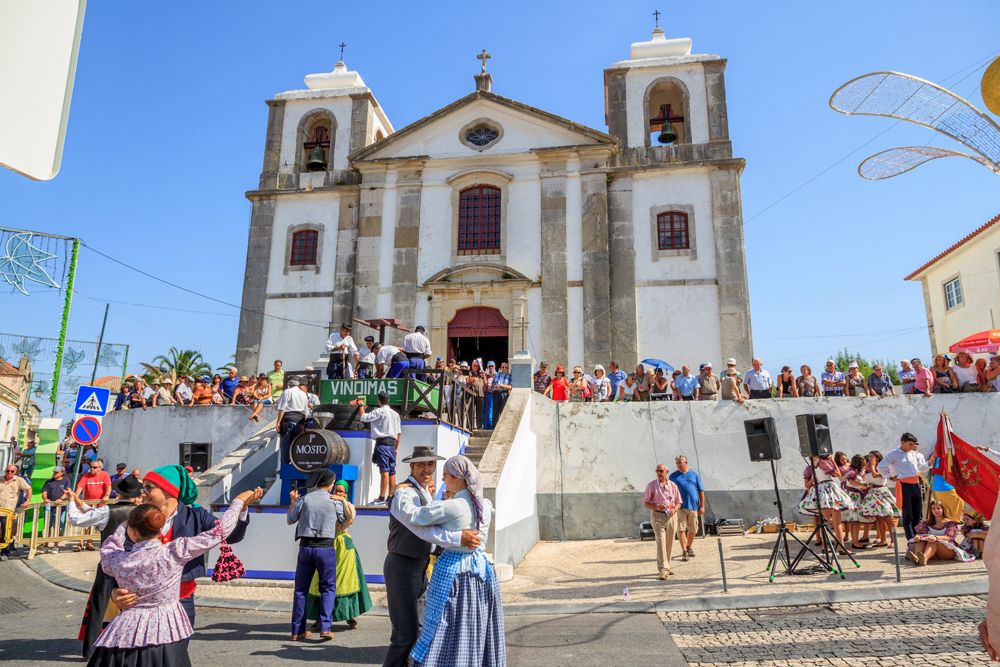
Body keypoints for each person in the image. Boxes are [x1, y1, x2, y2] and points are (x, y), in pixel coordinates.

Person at [89, 489, 258, 667]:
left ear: (132, 532)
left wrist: (123, 526)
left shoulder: (118, 559)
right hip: (166, 627)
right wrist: (237, 501)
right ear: (160, 528)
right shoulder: (174, 552)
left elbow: (109, 548)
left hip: (126, 630)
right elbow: (219, 532)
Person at [110, 466, 258, 630]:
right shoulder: (137, 517)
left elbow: (230, 536)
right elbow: (119, 560)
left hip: (182, 598)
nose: (142, 494)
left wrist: (242, 509)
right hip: (140, 601)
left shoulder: (196, 515)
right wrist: (115, 592)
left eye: (148, 488)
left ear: (167, 489)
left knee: (175, 651)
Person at [397, 455, 505, 667]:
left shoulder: (452, 506)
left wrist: (401, 492)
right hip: (482, 571)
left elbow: (413, 516)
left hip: (454, 571)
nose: (443, 479)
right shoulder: (484, 504)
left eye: (445, 475)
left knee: (444, 625)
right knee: (475, 625)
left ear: (457, 477)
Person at [383, 447, 483, 667]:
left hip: (419, 564)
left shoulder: (425, 491)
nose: (427, 469)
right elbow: (420, 530)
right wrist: (459, 538)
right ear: (412, 466)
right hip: (402, 563)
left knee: (419, 629)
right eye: (421, 464)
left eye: (430, 464)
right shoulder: (404, 493)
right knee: (405, 634)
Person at [66, 474, 143, 659]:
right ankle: (131, 645)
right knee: (133, 604)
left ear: (118, 492)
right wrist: (78, 502)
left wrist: (71, 503)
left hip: (110, 563)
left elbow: (78, 519)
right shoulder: (143, 512)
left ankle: (92, 649)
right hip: (134, 564)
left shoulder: (107, 511)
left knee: (99, 604)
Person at [287, 469, 347, 641]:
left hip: (305, 547)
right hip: (326, 548)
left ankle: (297, 631)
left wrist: (293, 502)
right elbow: (343, 520)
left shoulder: (305, 499)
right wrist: (341, 501)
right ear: (329, 484)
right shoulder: (334, 501)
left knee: (300, 590)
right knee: (328, 588)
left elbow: (290, 519)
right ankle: (325, 628)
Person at [306, 480, 372, 632]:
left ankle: (348, 614)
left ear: (345, 493)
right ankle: (318, 616)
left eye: (341, 491)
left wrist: (343, 501)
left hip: (342, 545)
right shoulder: (327, 502)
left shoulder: (347, 505)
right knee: (319, 579)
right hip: (325, 543)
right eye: (336, 490)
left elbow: (350, 518)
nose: (338, 493)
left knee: (345, 581)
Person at [797, 455, 855, 554]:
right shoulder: (823, 462)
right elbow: (838, 474)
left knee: (824, 521)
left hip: (820, 490)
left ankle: (825, 547)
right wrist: (832, 460)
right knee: (837, 521)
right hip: (829, 488)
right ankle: (841, 548)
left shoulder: (812, 465)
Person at [877, 433, 929, 540]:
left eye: (914, 445)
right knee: (908, 514)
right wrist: (889, 477)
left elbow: (923, 468)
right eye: (910, 444)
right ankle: (911, 539)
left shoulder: (913, 454)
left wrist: (932, 459)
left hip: (916, 484)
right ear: (903, 442)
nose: (912, 447)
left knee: (918, 514)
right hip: (905, 485)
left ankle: (918, 536)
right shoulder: (894, 453)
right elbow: (881, 466)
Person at [360, 391, 401, 506]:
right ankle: (391, 497)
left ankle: (381, 498)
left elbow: (363, 417)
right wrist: (396, 448)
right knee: (392, 471)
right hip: (392, 445)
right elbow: (398, 433)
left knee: (384, 471)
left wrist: (361, 405)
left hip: (382, 444)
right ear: (388, 401)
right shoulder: (395, 414)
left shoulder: (378, 411)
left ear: (379, 401)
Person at [906, 499, 975, 565]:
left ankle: (924, 559)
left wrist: (936, 537)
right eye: (933, 508)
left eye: (938, 508)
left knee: (934, 542)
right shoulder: (927, 522)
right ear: (931, 510)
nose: (936, 510)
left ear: (942, 509)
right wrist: (917, 536)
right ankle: (917, 558)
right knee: (921, 540)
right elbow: (921, 533)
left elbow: (949, 537)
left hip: (947, 549)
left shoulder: (949, 523)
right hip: (933, 548)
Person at [643, 464, 682, 579]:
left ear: (666, 472)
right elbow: (646, 503)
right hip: (657, 516)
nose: (659, 473)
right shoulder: (651, 485)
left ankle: (667, 565)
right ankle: (663, 569)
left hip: (671, 516)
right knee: (660, 542)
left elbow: (679, 502)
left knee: (669, 542)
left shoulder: (673, 486)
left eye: (661, 471)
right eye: (657, 471)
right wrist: (656, 506)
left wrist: (675, 509)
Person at [860, 450, 900, 548]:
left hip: (881, 494)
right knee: (879, 519)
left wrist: (873, 466)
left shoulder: (882, 468)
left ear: (878, 458)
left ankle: (894, 541)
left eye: (872, 456)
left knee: (888, 519)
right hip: (872, 494)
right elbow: (865, 479)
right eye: (869, 457)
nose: (870, 458)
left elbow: (875, 475)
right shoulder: (868, 469)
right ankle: (883, 540)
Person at [669, 456, 704, 561]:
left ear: (686, 463)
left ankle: (689, 546)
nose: (678, 465)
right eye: (676, 463)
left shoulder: (694, 475)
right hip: (679, 507)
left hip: (693, 506)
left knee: (693, 529)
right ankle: (684, 551)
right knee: (681, 528)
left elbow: (700, 491)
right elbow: (669, 493)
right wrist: (671, 508)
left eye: (680, 462)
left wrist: (702, 506)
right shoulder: (673, 476)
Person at [75, 460, 111, 552]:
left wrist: (106, 495)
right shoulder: (86, 475)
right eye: (91, 467)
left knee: (93, 524)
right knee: (84, 523)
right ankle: (81, 543)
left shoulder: (104, 475)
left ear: (99, 468)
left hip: (99, 504)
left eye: (94, 467)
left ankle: (89, 542)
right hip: (88, 504)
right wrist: (75, 497)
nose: (92, 469)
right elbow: (80, 487)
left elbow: (108, 487)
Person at [841, 455, 874, 550]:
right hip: (853, 496)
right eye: (863, 463)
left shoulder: (857, 472)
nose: (864, 465)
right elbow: (852, 482)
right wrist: (865, 485)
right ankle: (855, 542)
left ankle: (855, 540)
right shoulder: (852, 472)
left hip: (854, 495)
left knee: (854, 520)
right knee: (856, 520)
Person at [0, 464, 31, 560]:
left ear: (15, 472)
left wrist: (28, 500)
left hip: (8, 511)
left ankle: (5, 552)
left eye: (12, 471)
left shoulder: (19, 480)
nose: (9, 473)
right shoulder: (0, 479)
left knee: (6, 532)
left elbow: (29, 488)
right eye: (8, 471)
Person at [276, 378, 309, 465]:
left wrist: (278, 422)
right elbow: (306, 412)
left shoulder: (287, 392)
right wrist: (302, 425)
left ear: (289, 385)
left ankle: (285, 466)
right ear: (298, 385)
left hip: (287, 420)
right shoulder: (303, 394)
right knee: (295, 444)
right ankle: (295, 465)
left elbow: (282, 408)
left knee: (285, 445)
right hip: (299, 421)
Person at [41, 465, 72, 553]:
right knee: (47, 527)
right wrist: (45, 498)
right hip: (49, 507)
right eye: (54, 472)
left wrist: (61, 499)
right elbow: (44, 492)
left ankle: (55, 546)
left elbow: (66, 492)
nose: (54, 473)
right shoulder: (49, 481)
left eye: (57, 472)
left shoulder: (66, 480)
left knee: (57, 527)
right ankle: (45, 546)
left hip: (60, 508)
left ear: (62, 472)